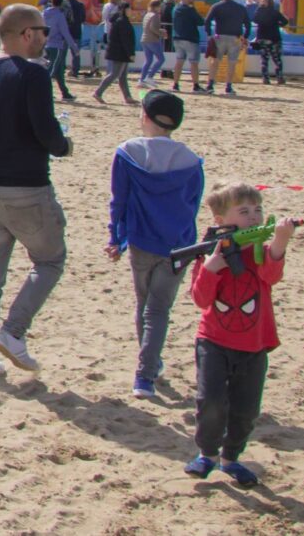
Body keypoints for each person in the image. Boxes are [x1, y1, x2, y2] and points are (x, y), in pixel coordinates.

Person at [0, 4, 71, 383]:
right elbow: (46, 132)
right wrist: (64, 146)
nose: (45, 39)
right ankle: (14, 331)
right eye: (43, 32)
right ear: (26, 34)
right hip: (25, 186)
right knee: (50, 261)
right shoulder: (33, 75)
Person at [184, 185, 301, 486]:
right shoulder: (213, 248)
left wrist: (280, 241)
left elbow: (271, 276)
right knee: (209, 401)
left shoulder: (259, 248)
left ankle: (230, 458)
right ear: (222, 218)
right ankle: (207, 455)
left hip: (254, 344)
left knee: (246, 409)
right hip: (213, 341)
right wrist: (210, 267)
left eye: (257, 210)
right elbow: (200, 299)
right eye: (244, 211)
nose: (254, 217)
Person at [104, 89, 203, 400]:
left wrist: (115, 237)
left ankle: (145, 374)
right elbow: (193, 204)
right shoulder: (190, 160)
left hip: (144, 241)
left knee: (147, 306)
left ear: (144, 116)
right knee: (158, 309)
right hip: (178, 244)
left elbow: (118, 201)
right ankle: (151, 364)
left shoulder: (127, 152)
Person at [205, 0, 252, 96]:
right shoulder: (240, 8)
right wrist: (245, 36)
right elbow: (248, 24)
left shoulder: (216, 6)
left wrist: (208, 34)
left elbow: (207, 21)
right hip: (235, 37)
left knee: (215, 61)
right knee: (232, 63)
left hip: (220, 36)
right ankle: (228, 86)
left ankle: (210, 84)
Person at [94, 0, 138, 104]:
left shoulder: (121, 21)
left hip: (120, 52)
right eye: (129, 9)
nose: (131, 11)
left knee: (122, 76)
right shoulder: (122, 22)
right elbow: (125, 40)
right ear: (124, 10)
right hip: (119, 52)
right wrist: (130, 53)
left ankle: (127, 97)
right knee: (114, 74)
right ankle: (98, 92)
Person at [42, 0, 78, 102]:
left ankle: (65, 93)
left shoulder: (44, 13)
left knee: (58, 70)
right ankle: (44, 93)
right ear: (61, 2)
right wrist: (74, 47)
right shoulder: (59, 15)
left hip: (46, 45)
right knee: (51, 71)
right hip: (56, 46)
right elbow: (65, 33)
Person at [169, 0, 205, 94]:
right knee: (194, 63)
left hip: (177, 38)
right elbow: (200, 21)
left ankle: (175, 84)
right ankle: (196, 85)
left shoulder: (175, 8)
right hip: (190, 38)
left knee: (179, 61)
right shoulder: (189, 9)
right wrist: (193, 8)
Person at [254, 0, 287, 86]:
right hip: (274, 38)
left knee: (264, 59)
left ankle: (265, 78)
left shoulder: (260, 11)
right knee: (277, 59)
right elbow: (285, 21)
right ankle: (279, 77)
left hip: (262, 38)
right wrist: (278, 24)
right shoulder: (275, 12)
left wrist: (260, 8)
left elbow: (255, 19)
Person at [136, 0, 167, 88]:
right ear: (157, 7)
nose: (161, 8)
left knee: (148, 60)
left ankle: (142, 80)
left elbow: (148, 27)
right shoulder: (155, 15)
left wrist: (159, 30)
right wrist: (162, 33)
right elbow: (153, 28)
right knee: (161, 59)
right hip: (152, 40)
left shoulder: (147, 14)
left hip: (144, 39)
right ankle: (150, 77)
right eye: (160, 6)